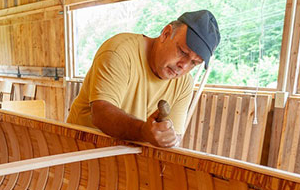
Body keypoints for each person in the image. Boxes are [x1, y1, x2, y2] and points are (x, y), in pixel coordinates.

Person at [67, 10, 221, 148]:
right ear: (166, 33)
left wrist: (167, 138)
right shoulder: (119, 52)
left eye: (194, 63)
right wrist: (143, 131)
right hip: (80, 147)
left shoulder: (184, 83)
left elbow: (175, 137)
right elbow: (101, 113)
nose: (184, 66)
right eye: (182, 52)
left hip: (126, 159)